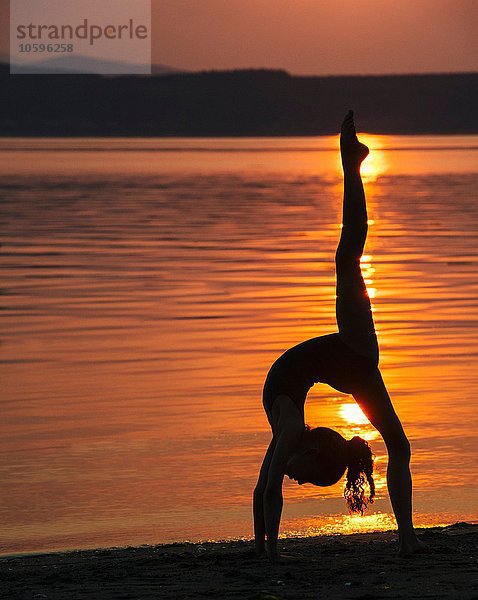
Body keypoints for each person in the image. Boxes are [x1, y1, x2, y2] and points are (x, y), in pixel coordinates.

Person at [253, 111, 424, 562]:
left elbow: (266, 488)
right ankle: (405, 536)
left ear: (310, 450)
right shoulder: (289, 428)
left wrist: (268, 552)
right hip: (356, 362)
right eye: (307, 480)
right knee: (400, 446)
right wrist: (261, 547)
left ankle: (351, 163)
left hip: (354, 350)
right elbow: (266, 487)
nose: (297, 480)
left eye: (304, 479)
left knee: (349, 252)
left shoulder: (289, 427)